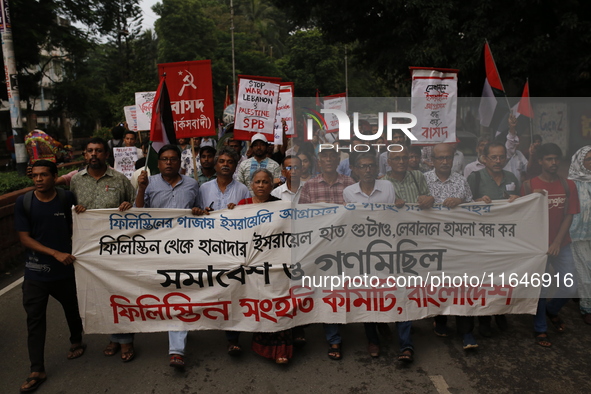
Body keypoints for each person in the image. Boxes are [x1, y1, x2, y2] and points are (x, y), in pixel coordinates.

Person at [15, 160, 85, 393]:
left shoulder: (66, 198)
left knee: (72, 308)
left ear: (55, 177)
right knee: (34, 319)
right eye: (35, 175)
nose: (38, 179)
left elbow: (78, 225)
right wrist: (54, 253)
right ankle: (37, 369)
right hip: (35, 272)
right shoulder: (24, 202)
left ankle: (76, 340)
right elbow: (24, 238)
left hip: (65, 270)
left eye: (44, 175)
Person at [342, 152, 415, 362]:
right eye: (363, 166)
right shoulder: (348, 193)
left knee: (400, 295)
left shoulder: (388, 188)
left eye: (371, 166)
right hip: (362, 255)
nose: (367, 170)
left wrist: (399, 206)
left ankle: (406, 345)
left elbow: (394, 217)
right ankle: (372, 339)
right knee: (369, 298)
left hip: (389, 251)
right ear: (354, 170)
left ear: (377, 169)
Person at [135, 144, 201, 369]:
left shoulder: (192, 184)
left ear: (180, 162)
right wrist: (141, 189)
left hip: (186, 247)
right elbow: (138, 214)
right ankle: (178, 338)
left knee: (179, 292)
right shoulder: (148, 182)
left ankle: (177, 348)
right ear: (158, 162)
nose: (169, 162)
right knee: (166, 292)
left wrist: (199, 213)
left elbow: (200, 212)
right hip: (158, 249)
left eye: (173, 159)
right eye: (164, 159)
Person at [70, 137, 136, 362]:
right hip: (89, 250)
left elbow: (135, 206)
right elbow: (72, 209)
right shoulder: (77, 181)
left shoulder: (120, 179)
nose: (94, 155)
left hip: (118, 248)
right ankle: (114, 336)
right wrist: (77, 210)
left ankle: (126, 340)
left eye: (98, 151)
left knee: (120, 292)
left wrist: (128, 207)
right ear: (85, 155)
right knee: (102, 295)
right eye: (90, 151)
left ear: (106, 155)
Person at [299, 147, 355, 360]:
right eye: (325, 156)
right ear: (319, 160)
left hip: (348, 247)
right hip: (322, 249)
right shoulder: (310, 186)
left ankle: (368, 324)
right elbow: (304, 218)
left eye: (333, 155)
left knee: (351, 289)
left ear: (338, 159)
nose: (329, 159)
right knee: (328, 291)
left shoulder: (350, 183)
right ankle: (334, 339)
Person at [521, 143, 580, 346]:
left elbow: (569, 215)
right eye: (549, 159)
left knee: (571, 286)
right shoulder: (529, 186)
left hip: (561, 244)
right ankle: (541, 328)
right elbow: (522, 217)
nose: (554, 163)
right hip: (538, 248)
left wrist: (556, 242)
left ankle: (551, 310)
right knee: (541, 290)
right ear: (540, 161)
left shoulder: (568, 185)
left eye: (556, 158)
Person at [232, 169, 292, 363]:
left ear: (271, 185)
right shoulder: (243, 206)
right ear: (251, 185)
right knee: (257, 303)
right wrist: (229, 213)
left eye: (265, 182)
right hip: (251, 265)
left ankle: (281, 350)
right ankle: (261, 346)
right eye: (257, 182)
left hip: (276, 264)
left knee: (278, 302)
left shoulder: (281, 206)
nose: (260, 185)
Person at [424, 144, 477, 349]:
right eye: (440, 158)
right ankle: (442, 319)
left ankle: (467, 333)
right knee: (438, 286)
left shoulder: (461, 180)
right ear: (433, 160)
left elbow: (473, 210)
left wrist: (462, 201)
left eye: (448, 158)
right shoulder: (423, 180)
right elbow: (413, 207)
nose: (445, 162)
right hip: (432, 244)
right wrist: (423, 200)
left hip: (458, 244)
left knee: (463, 286)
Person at [467, 142, 519, 337]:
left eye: (501, 157)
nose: (498, 161)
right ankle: (485, 320)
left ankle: (500, 313)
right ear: (485, 159)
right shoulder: (476, 177)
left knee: (503, 278)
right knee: (484, 280)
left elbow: (521, 203)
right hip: (482, 239)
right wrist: (476, 202)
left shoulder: (512, 177)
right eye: (494, 157)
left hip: (505, 239)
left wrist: (518, 199)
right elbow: (464, 204)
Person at [568, 146, 591, 325]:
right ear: (579, 162)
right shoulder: (570, 183)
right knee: (586, 273)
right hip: (577, 235)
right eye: (588, 159)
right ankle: (587, 307)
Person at [503, 114, 528, 182]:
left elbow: (527, 168)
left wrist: (531, 154)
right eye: (515, 142)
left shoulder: (519, 153)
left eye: (517, 142)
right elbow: (510, 145)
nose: (517, 144)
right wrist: (512, 128)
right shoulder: (504, 155)